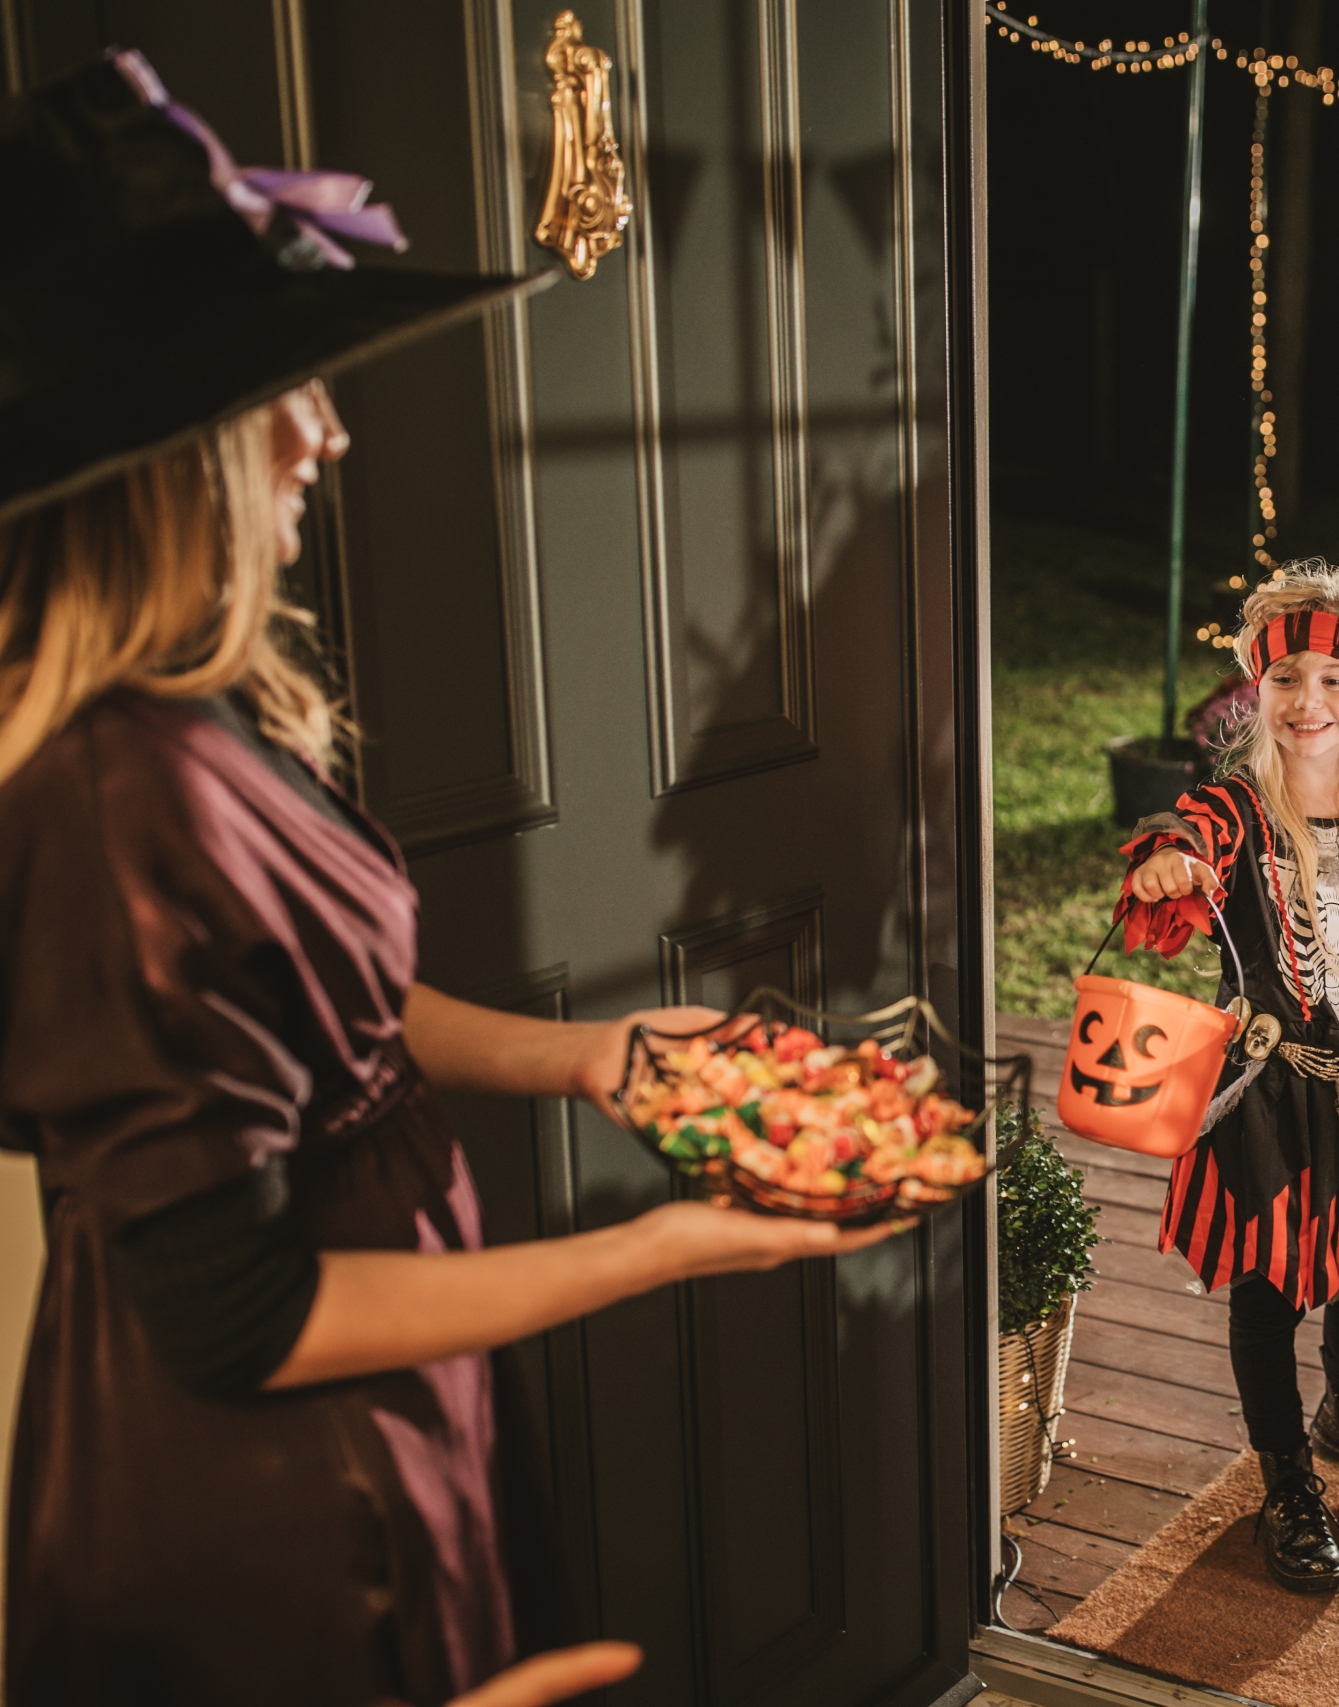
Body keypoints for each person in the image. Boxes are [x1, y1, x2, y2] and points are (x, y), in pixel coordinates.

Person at [0, 53, 907, 1705]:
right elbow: (239, 1319)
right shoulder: (109, 795)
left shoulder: (195, 714)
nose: (330, 436)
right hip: (267, 1490)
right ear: (174, 456)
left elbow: (313, 1010)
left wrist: (586, 1057)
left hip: (384, 1387)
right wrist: (667, 1244)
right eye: (290, 389)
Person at [1117, 562, 1339, 1591]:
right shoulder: (1234, 809)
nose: (1306, 703)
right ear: (1253, 688)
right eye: (1284, 680)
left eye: (1330, 679)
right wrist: (1166, 858)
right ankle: (1284, 1480)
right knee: (1270, 1285)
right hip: (1266, 1092)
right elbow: (1186, 837)